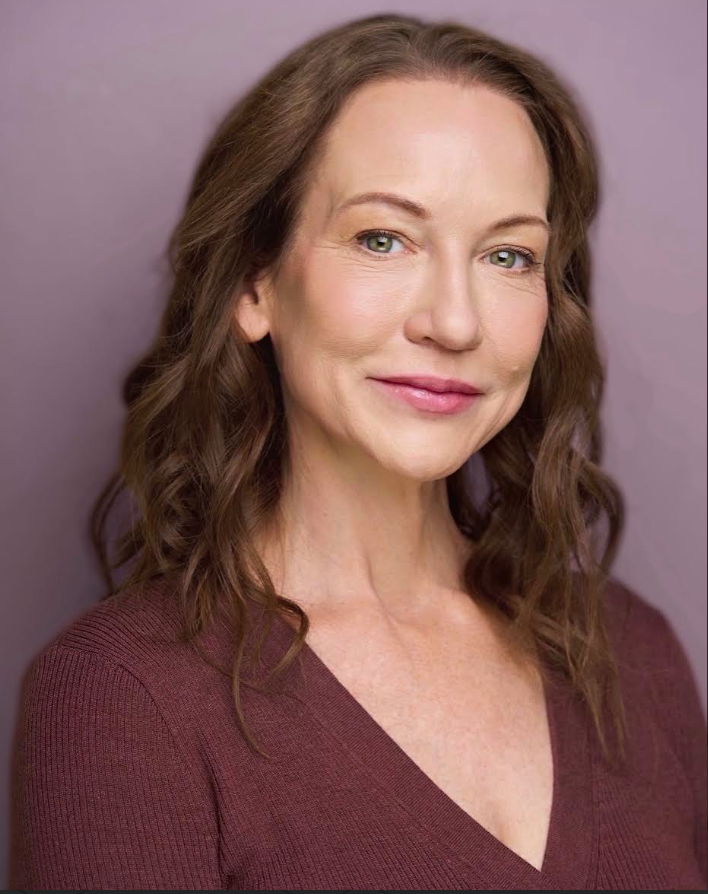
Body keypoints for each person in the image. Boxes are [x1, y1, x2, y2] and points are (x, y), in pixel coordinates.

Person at [9, 12, 706, 891]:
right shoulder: (120, 701)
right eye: (384, 239)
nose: (454, 322)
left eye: (508, 255)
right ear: (254, 285)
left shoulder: (631, 654)